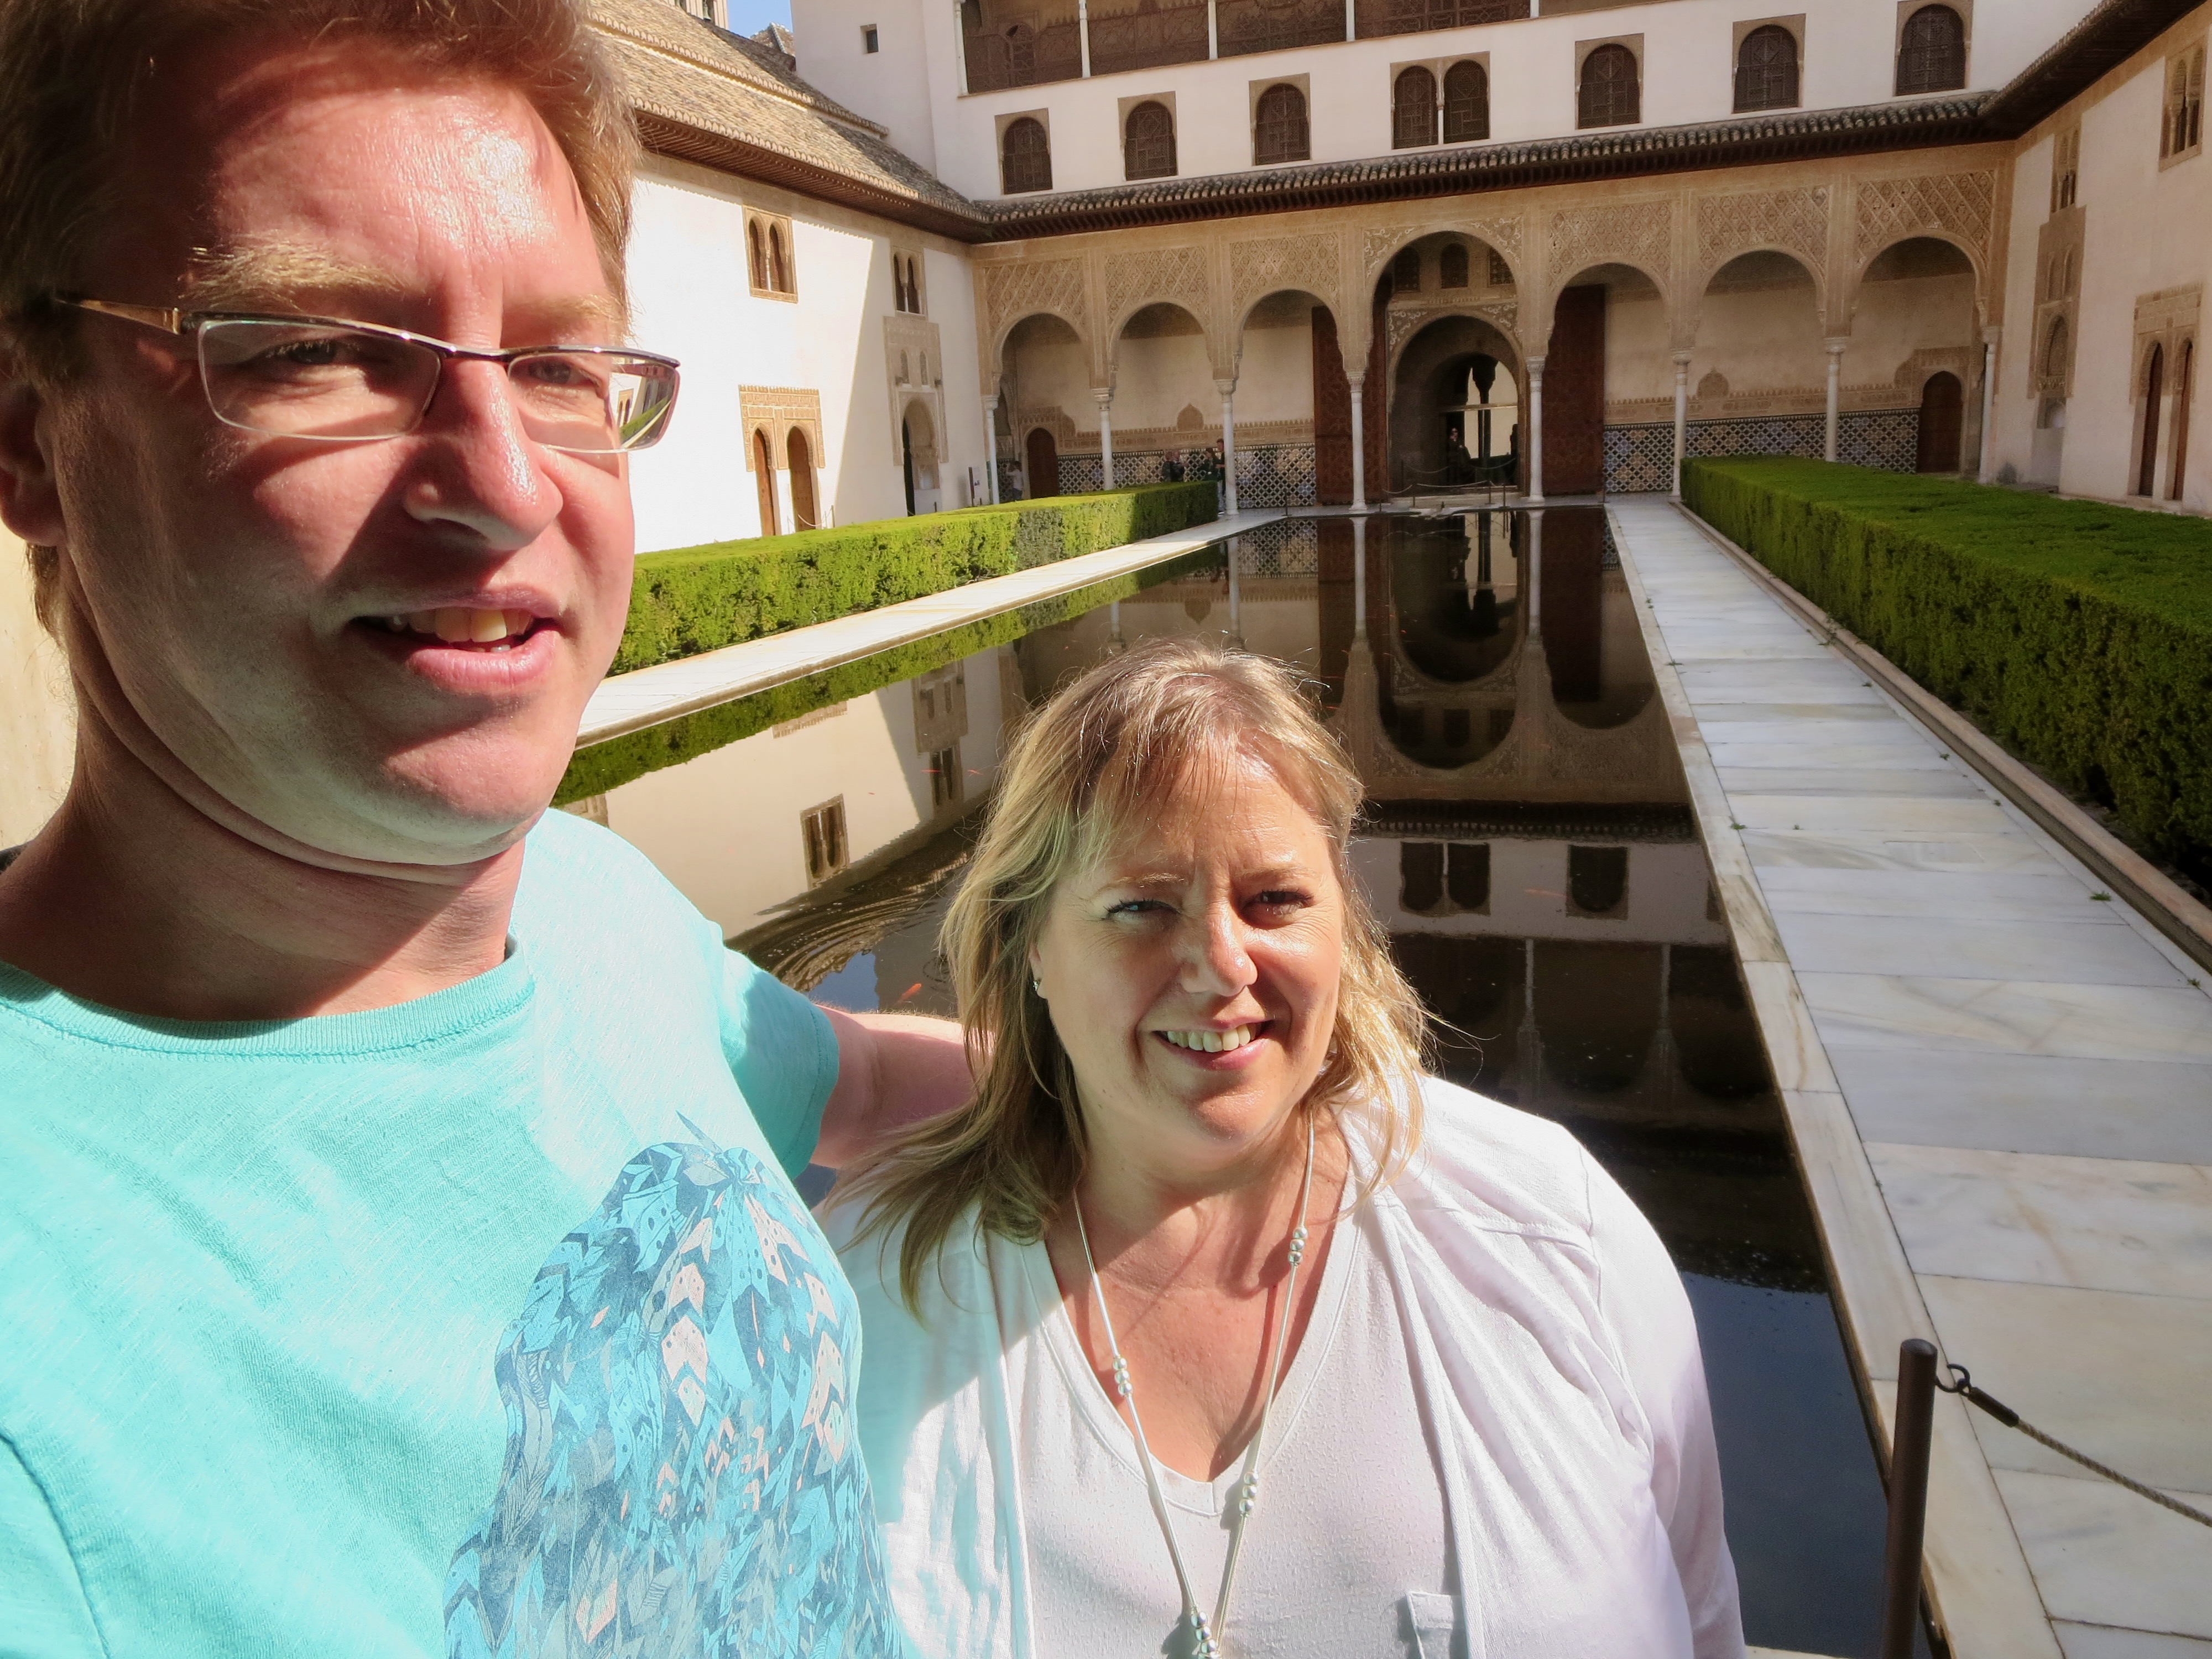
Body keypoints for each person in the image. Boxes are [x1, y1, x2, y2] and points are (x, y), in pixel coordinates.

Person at [0, 2, 966, 1652]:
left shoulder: (588, 903)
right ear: (31, 434)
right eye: (315, 348)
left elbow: (858, 1082)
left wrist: (1234, 1081)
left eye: (558, 364)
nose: (507, 483)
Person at [827, 640, 1745, 1659]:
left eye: (1276, 900)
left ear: (1343, 922)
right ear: (1031, 943)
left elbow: (1703, 1611)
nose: (1223, 965)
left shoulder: (1554, 1232)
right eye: (1141, 906)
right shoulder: (869, 1297)